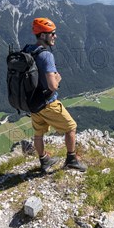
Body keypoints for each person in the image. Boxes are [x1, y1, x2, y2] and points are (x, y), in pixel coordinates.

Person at [23, 17, 87, 172]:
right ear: (43, 35)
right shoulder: (46, 55)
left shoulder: (26, 50)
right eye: (52, 33)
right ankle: (71, 159)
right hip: (48, 102)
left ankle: (44, 160)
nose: (55, 36)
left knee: (39, 134)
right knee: (71, 127)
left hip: (33, 103)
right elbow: (52, 85)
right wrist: (57, 79)